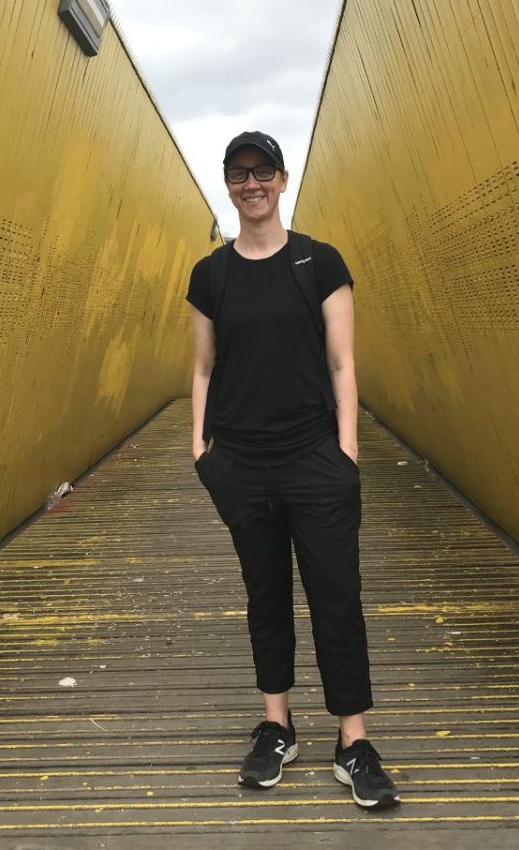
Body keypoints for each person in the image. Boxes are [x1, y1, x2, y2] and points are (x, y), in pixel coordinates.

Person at [185, 131, 400, 810]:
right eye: (238, 173)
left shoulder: (320, 262)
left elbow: (343, 364)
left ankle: (353, 740)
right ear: (228, 185)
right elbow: (202, 367)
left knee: (336, 595)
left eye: (262, 172)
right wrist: (202, 451)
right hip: (241, 463)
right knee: (265, 594)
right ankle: (276, 726)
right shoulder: (210, 276)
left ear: (282, 179)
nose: (251, 184)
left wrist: (346, 455)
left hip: (314, 459)